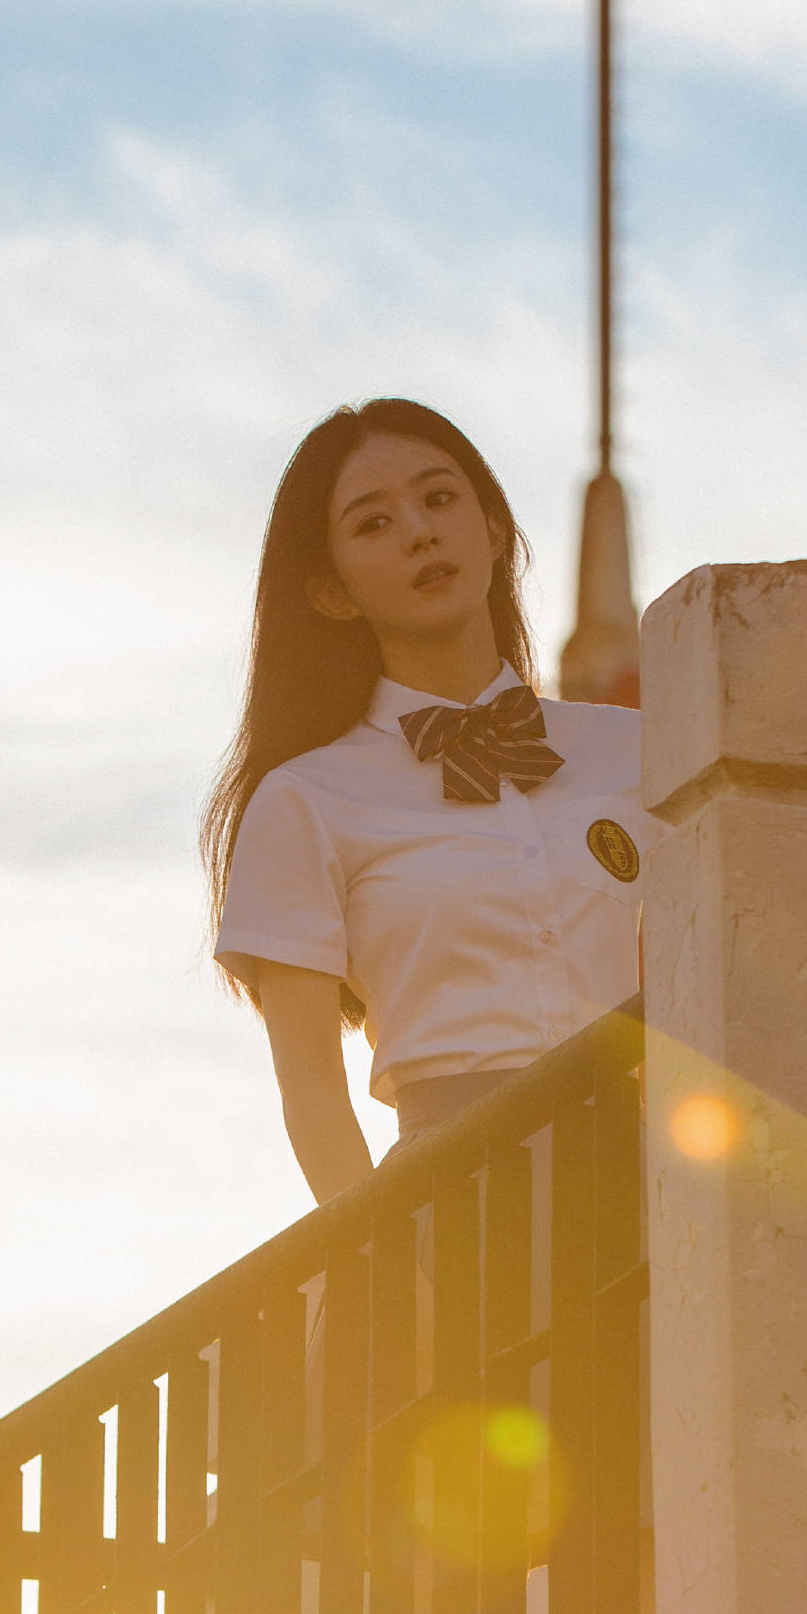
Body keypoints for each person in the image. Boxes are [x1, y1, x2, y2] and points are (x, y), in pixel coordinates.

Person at [206, 397, 649, 1203]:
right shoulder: (306, 799)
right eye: (373, 524)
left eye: (440, 498)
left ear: (491, 529)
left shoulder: (635, 751)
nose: (419, 531)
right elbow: (313, 1102)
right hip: (458, 1206)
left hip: (655, 1182)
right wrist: (385, 1274)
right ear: (332, 591)